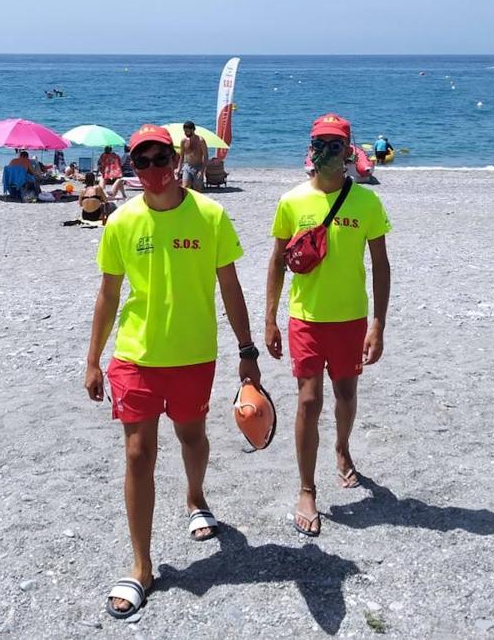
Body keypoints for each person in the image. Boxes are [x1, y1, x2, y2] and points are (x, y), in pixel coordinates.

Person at [84, 124, 259, 622]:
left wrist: (247, 351)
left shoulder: (210, 215)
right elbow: (108, 294)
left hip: (193, 356)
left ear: (178, 158)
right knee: (138, 454)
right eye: (144, 162)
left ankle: (196, 497)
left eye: (163, 158)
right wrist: (93, 359)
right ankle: (142, 565)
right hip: (135, 357)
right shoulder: (121, 221)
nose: (156, 170)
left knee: (191, 436)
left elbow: (230, 287)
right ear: (131, 167)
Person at [265, 113, 392, 538]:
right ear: (310, 148)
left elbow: (380, 265)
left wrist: (378, 323)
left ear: (349, 149)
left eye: (335, 144)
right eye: (320, 143)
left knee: (345, 393)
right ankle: (306, 489)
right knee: (307, 402)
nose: (327, 151)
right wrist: (269, 318)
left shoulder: (367, 203)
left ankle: (341, 448)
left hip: (351, 318)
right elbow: (277, 263)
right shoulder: (292, 201)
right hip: (306, 318)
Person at [178, 121, 208, 191]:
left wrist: (202, 170)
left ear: (193, 130)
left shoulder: (201, 140)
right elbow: (181, 156)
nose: (185, 133)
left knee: (197, 188)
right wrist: (179, 168)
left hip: (198, 167)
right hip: (187, 167)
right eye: (184, 131)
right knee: (185, 187)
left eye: (187, 131)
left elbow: (206, 156)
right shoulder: (183, 141)